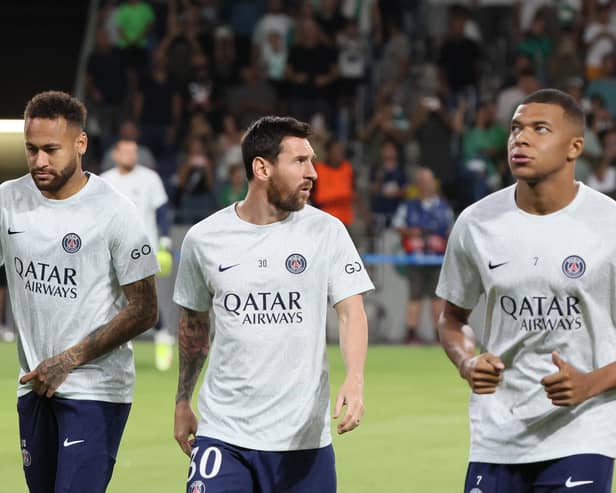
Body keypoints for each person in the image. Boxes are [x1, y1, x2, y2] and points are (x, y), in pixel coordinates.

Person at [172, 115, 374, 493]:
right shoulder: (203, 239)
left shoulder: (326, 232)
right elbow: (194, 323)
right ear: (262, 167)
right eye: (299, 161)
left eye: (312, 160)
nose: (312, 172)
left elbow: (351, 310)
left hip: (302, 439)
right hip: (224, 432)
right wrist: (183, 399)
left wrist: (355, 378)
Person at [436, 88, 616, 492]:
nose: (521, 138)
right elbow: (451, 318)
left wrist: (591, 383)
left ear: (574, 148)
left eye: (539, 129)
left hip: (583, 431)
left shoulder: (610, 225)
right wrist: (467, 361)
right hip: (497, 436)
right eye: (515, 128)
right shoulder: (476, 223)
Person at [7, 91, 159, 492]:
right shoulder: (8, 201)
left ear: (80, 144)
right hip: (35, 385)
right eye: (31, 149)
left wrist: (70, 358)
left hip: (96, 390)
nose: (39, 161)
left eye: (51, 149)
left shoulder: (115, 211)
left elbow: (144, 309)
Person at [100, 138, 175, 371]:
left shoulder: (150, 178)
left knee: (144, 297)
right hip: (112, 249)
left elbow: (162, 210)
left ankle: (163, 338)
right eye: (126, 152)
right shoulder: (106, 181)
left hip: (145, 248)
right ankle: (123, 348)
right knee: (116, 300)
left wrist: (165, 240)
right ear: (116, 153)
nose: (131, 156)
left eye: (134, 152)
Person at [392, 168, 453, 345]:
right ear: (417, 185)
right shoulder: (408, 206)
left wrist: (442, 240)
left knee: (437, 297)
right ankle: (411, 333)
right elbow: (397, 225)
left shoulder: (443, 207)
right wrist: (411, 232)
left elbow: (451, 229)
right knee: (415, 296)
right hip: (416, 258)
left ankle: (438, 333)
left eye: (428, 180)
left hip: (437, 258)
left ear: (434, 183)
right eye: (422, 181)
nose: (426, 184)